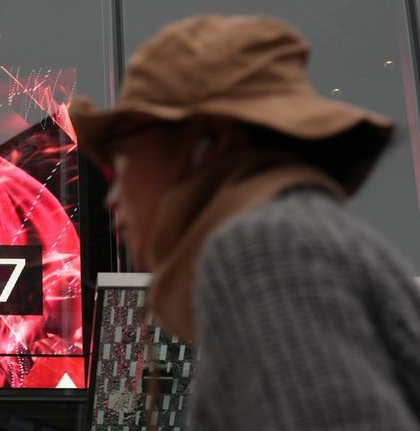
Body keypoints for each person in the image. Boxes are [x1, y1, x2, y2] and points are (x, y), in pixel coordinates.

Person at [70, 15, 420, 430]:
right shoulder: (304, 237)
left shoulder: (263, 246)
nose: (111, 195)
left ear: (208, 145)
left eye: (121, 158)